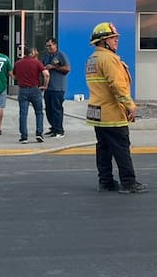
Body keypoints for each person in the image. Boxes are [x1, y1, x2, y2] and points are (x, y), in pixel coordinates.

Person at [84, 21, 146, 193]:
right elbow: (117, 86)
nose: (116, 40)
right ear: (103, 41)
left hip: (97, 112)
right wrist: (130, 106)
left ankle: (106, 182)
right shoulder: (109, 59)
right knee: (121, 148)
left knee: (103, 149)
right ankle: (129, 182)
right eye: (113, 38)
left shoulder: (93, 59)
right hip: (112, 113)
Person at [14, 46, 49, 143]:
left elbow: (14, 76)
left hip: (22, 90)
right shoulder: (37, 63)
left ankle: (24, 137)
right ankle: (39, 133)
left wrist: (21, 79)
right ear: (32, 53)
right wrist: (45, 86)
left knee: (23, 114)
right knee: (39, 112)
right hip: (35, 89)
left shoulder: (18, 63)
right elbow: (46, 74)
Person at [41, 37, 70, 138]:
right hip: (48, 87)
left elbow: (67, 68)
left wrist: (54, 67)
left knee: (56, 109)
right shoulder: (47, 56)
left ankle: (59, 130)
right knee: (49, 109)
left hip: (58, 87)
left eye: (50, 46)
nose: (48, 48)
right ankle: (53, 127)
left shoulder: (60, 55)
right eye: (47, 46)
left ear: (55, 45)